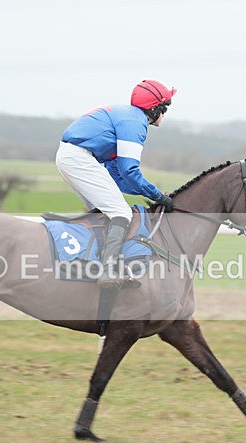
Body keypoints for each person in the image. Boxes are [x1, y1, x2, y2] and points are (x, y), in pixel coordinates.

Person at [56, 79, 176, 288]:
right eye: (164, 109)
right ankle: (109, 271)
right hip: (79, 158)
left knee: (105, 212)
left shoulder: (128, 117)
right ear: (155, 108)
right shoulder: (135, 122)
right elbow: (130, 171)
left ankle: (89, 261)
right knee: (121, 213)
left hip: (72, 156)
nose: (164, 115)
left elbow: (118, 176)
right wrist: (157, 195)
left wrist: (149, 194)